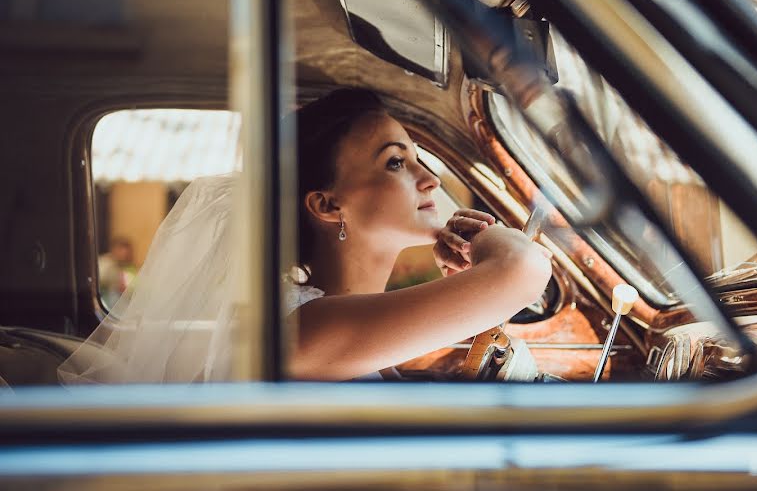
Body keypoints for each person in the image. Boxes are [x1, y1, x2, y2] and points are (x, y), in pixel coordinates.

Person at [59, 89, 551, 384]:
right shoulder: (302, 329)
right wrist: (487, 242)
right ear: (327, 204)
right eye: (396, 162)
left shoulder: (318, 315)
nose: (431, 180)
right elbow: (522, 271)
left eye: (418, 159)